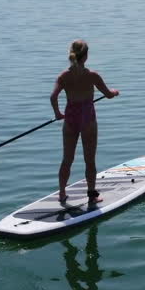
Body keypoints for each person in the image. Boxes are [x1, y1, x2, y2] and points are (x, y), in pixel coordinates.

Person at [50, 39, 119, 205]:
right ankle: (92, 195)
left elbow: (53, 97)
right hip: (87, 119)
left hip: (71, 119)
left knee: (67, 159)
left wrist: (58, 113)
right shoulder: (92, 76)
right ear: (86, 56)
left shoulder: (63, 76)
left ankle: (62, 193)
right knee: (90, 160)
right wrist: (115, 92)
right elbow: (108, 94)